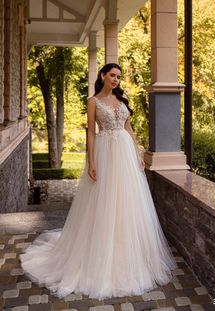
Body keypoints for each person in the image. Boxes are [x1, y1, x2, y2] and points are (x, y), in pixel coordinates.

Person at [20, 63, 177, 300]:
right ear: (103, 75)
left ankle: (127, 255)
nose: (116, 80)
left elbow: (129, 128)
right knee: (103, 203)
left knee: (127, 204)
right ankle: (99, 255)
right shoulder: (93, 101)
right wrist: (90, 161)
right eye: (112, 75)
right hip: (106, 155)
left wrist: (138, 154)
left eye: (119, 77)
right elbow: (91, 132)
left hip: (125, 155)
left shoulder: (121, 100)